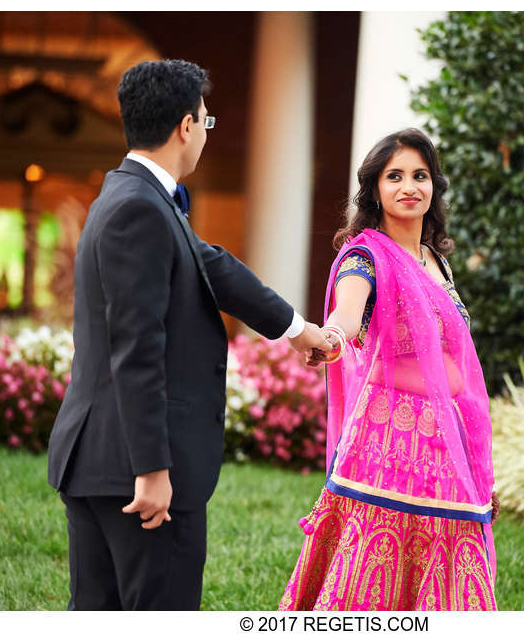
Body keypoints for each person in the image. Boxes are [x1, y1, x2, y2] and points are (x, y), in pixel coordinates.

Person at [46, 59, 332, 611]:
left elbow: (212, 266)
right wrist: (152, 470)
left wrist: (297, 330)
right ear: (185, 126)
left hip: (100, 465)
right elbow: (137, 349)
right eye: (206, 119)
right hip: (139, 477)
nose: (205, 130)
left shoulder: (132, 197)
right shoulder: (140, 209)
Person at [279, 128, 500, 611]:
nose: (409, 186)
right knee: (373, 574)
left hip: (448, 435)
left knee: (453, 558)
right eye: (394, 176)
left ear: (434, 186)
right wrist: (332, 336)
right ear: (375, 189)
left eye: (420, 176)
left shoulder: (435, 260)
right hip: (388, 444)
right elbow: (348, 311)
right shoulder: (367, 256)